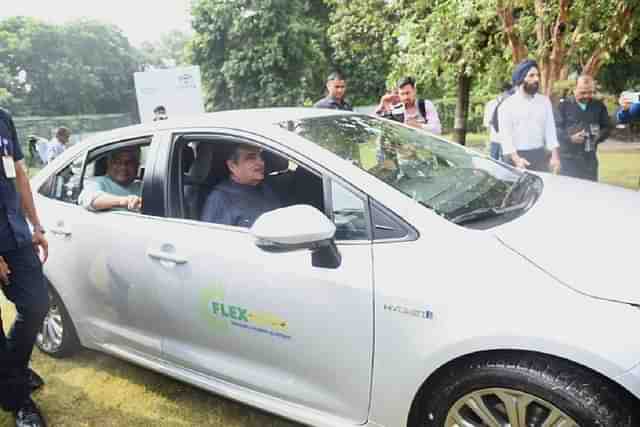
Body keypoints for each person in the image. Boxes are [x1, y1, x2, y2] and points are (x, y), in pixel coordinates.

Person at [0, 107, 49, 427]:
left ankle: (11, 371)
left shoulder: (3, 118)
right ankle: (18, 401)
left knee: (36, 304)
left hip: (15, 233)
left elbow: (18, 174)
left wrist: (36, 226)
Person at [498, 59, 561, 173]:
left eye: (537, 75)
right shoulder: (507, 105)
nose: (536, 79)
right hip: (515, 158)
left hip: (539, 156)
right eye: (531, 75)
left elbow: (550, 130)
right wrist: (517, 160)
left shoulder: (544, 101)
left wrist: (555, 156)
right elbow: (505, 137)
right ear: (521, 78)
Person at [201, 144, 281, 227]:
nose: (261, 162)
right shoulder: (221, 198)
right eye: (251, 158)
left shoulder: (265, 189)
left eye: (260, 157)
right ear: (232, 166)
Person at [556, 75, 610, 181]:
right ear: (574, 89)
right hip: (568, 161)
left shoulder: (598, 106)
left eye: (590, 92)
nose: (587, 96)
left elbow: (606, 127)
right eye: (583, 92)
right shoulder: (563, 106)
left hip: (589, 160)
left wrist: (598, 136)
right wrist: (570, 138)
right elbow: (555, 129)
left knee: (590, 195)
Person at [78, 146, 143, 212]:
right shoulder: (97, 182)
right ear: (109, 164)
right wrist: (125, 201)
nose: (123, 167)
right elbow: (90, 200)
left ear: (137, 166)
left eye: (129, 163)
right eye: (117, 162)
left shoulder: (143, 186)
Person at [375, 77, 442, 135]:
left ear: (414, 91)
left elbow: (437, 130)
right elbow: (375, 125)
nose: (406, 97)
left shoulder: (425, 105)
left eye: (408, 93)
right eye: (402, 94)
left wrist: (418, 126)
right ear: (398, 94)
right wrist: (382, 103)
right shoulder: (396, 109)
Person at [483, 82, 513, 160]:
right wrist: (488, 142)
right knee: (495, 165)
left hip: (507, 141)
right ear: (506, 91)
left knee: (505, 166)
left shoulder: (513, 104)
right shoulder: (491, 104)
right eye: (511, 92)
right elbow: (488, 124)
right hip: (495, 140)